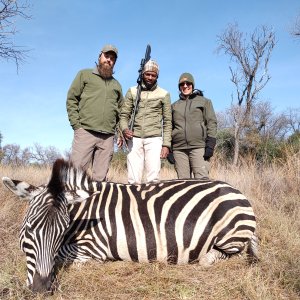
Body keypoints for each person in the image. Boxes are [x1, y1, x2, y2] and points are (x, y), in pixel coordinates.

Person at [66, 44, 123, 181]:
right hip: (85, 132)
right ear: (100, 56)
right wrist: (77, 125)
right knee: (75, 176)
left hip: (108, 137)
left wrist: (119, 132)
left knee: (100, 179)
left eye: (112, 59)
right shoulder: (84, 75)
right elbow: (71, 99)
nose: (109, 60)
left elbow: (121, 111)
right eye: (106, 56)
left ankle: (95, 203)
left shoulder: (116, 85)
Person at [120, 60, 172, 184]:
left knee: (153, 179)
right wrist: (124, 129)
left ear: (157, 76)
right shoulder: (132, 91)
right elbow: (124, 115)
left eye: (153, 75)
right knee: (133, 179)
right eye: (147, 74)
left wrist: (166, 144)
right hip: (134, 138)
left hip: (154, 139)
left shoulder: (164, 94)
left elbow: (168, 121)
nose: (150, 77)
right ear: (142, 74)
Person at [171, 72, 217, 179]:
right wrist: (169, 149)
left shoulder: (205, 102)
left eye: (188, 83)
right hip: (179, 149)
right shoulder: (174, 106)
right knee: (183, 184)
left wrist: (210, 144)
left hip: (199, 147)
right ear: (179, 87)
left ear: (193, 85)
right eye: (182, 84)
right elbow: (169, 127)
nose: (185, 86)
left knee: (202, 182)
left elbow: (211, 122)